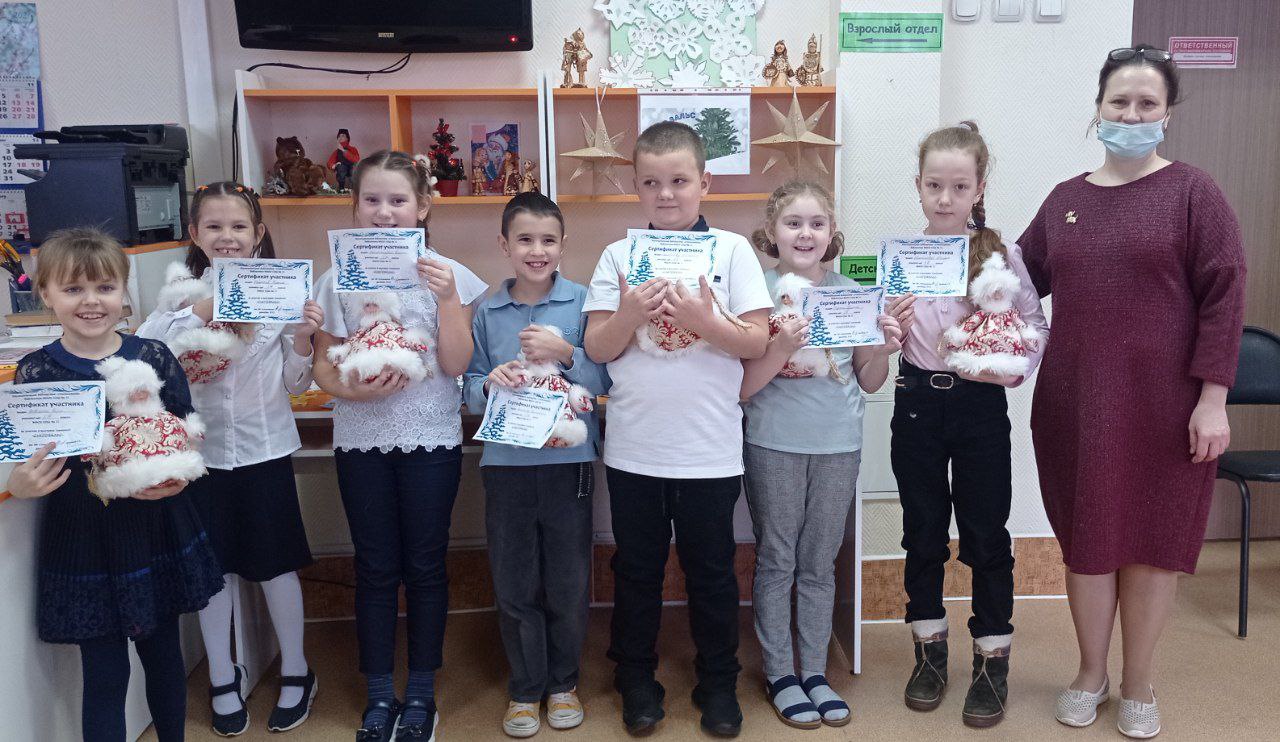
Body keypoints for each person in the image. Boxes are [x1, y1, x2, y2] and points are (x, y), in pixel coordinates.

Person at [1018, 45, 1245, 739]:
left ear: (1167, 113)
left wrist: (1213, 399)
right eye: (1120, 101)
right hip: (1076, 404)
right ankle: (1090, 673)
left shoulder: (1193, 193)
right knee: (1088, 539)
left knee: (1150, 540)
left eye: (1148, 103)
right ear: (1099, 108)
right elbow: (1013, 282)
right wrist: (944, 276)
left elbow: (1225, 297)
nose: (1132, 114)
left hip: (1167, 407)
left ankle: (1139, 681)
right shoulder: (1065, 201)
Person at [583, 120, 773, 737]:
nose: (665, 194)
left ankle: (718, 681)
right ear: (636, 187)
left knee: (712, 571)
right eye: (651, 183)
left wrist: (704, 320)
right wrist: (630, 311)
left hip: (708, 448)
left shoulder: (732, 251)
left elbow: (756, 340)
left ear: (704, 183)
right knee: (636, 569)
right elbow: (598, 347)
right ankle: (635, 677)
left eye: (679, 181)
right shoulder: (618, 256)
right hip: (635, 448)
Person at [5, 228, 222, 741]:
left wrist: (175, 477)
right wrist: (21, 482)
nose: (91, 301)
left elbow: (185, 433)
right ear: (45, 294)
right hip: (84, 535)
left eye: (104, 287)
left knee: (164, 657)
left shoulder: (155, 356)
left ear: (123, 291)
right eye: (73, 289)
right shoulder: (36, 371)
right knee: (104, 674)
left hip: (155, 526)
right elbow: (27, 453)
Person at [311, 150, 488, 742]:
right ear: (354, 206)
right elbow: (324, 367)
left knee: (426, 564)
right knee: (375, 565)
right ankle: (380, 694)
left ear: (423, 206)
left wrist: (447, 300)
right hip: (360, 439)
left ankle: (421, 694)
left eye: (398, 200)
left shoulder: (449, 274)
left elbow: (457, 364)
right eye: (372, 200)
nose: (384, 212)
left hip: (430, 437)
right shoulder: (336, 277)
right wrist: (352, 392)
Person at [136, 182, 324, 735]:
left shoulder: (280, 290)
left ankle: (297, 670)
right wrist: (200, 312)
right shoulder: (179, 296)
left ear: (258, 233)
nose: (228, 236)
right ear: (195, 234)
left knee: (276, 566)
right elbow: (144, 352)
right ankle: (223, 674)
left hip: (265, 450)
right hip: (203, 456)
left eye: (239, 226)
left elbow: (296, 383)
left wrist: (304, 338)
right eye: (214, 227)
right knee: (211, 571)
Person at [892, 122, 1048, 728]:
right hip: (916, 405)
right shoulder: (901, 258)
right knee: (923, 532)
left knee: (985, 533)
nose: (945, 198)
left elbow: (1035, 329)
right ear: (918, 186)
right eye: (934, 185)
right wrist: (888, 326)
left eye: (959, 186)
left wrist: (1003, 369)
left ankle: (991, 662)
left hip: (979, 407)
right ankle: (929, 653)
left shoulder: (1000, 257)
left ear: (979, 188)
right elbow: (876, 339)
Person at [740, 180, 905, 729]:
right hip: (774, 443)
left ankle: (814, 671)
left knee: (819, 561)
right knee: (778, 558)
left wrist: (884, 348)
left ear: (832, 231)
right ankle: (780, 673)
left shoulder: (852, 293)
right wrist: (782, 346)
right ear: (772, 231)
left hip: (838, 444)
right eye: (793, 223)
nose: (805, 233)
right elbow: (743, 385)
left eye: (817, 223)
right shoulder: (756, 294)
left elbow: (869, 378)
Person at [463, 192, 610, 738]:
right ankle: (525, 688)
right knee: (515, 580)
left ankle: (563, 683)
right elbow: (468, 386)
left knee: (568, 579)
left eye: (548, 239)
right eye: (524, 239)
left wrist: (566, 352)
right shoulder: (487, 311)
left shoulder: (585, 303)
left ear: (563, 245)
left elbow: (604, 382)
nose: (537, 250)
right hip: (506, 464)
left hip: (569, 463)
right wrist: (488, 383)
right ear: (504, 245)